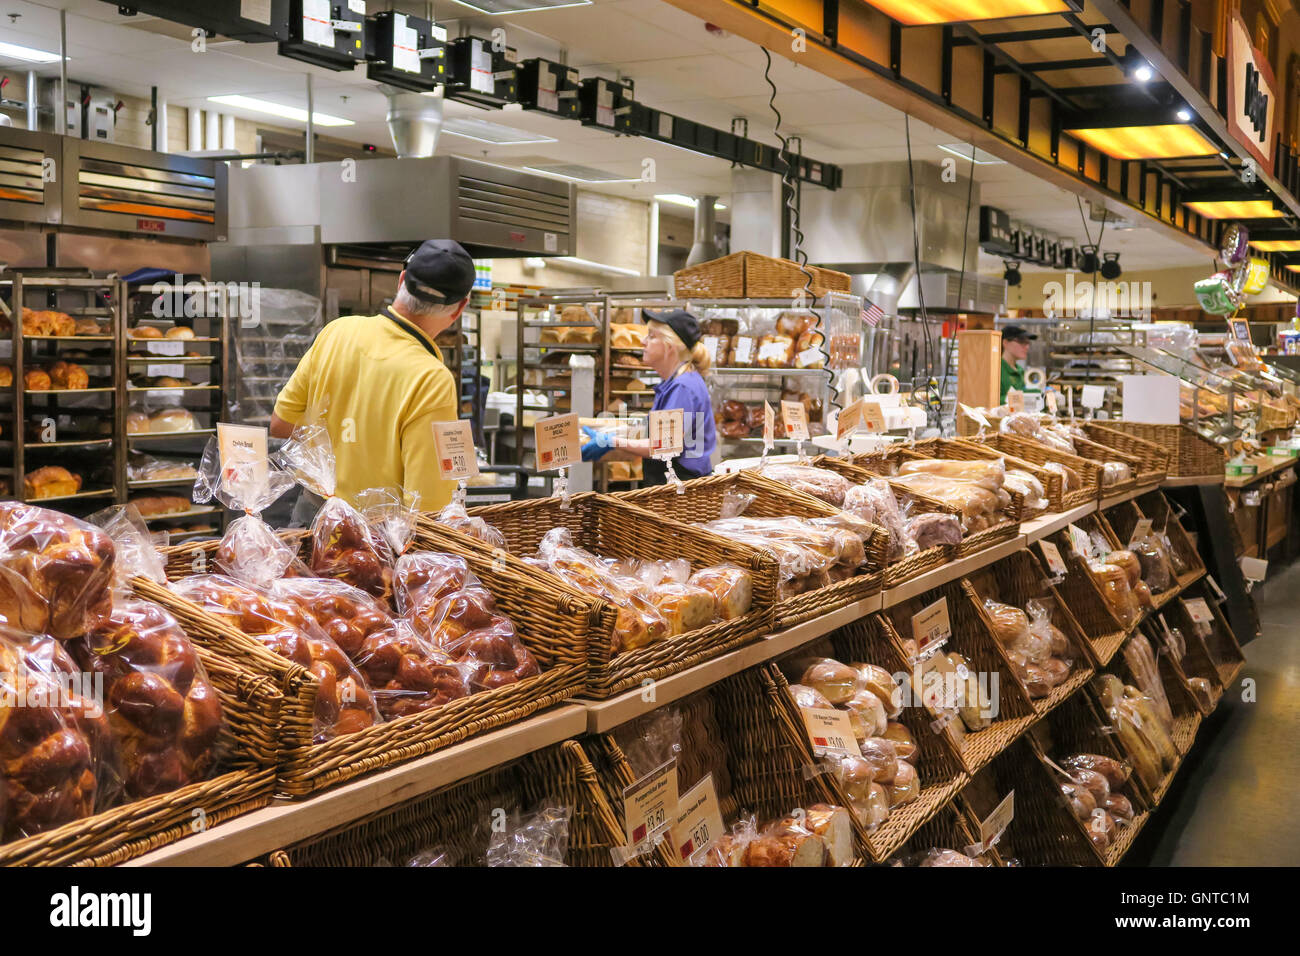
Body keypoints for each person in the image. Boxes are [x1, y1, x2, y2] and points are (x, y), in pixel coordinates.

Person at [270, 239, 472, 512]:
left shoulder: (337, 331)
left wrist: (343, 438)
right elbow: (427, 505)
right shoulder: (431, 378)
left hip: (311, 517)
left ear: (401, 281)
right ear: (460, 308)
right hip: (377, 540)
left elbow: (281, 424)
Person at [582, 308, 716, 484]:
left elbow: (664, 446)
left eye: (651, 336)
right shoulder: (677, 384)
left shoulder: (683, 387)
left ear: (670, 346)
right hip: (676, 485)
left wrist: (613, 441)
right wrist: (610, 433)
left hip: (681, 489)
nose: (643, 342)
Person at [999, 324, 1037, 404]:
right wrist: (1020, 397)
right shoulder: (997, 370)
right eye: (1021, 341)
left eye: (1028, 343)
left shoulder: (1020, 371)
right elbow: (990, 401)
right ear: (1005, 343)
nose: (1027, 347)